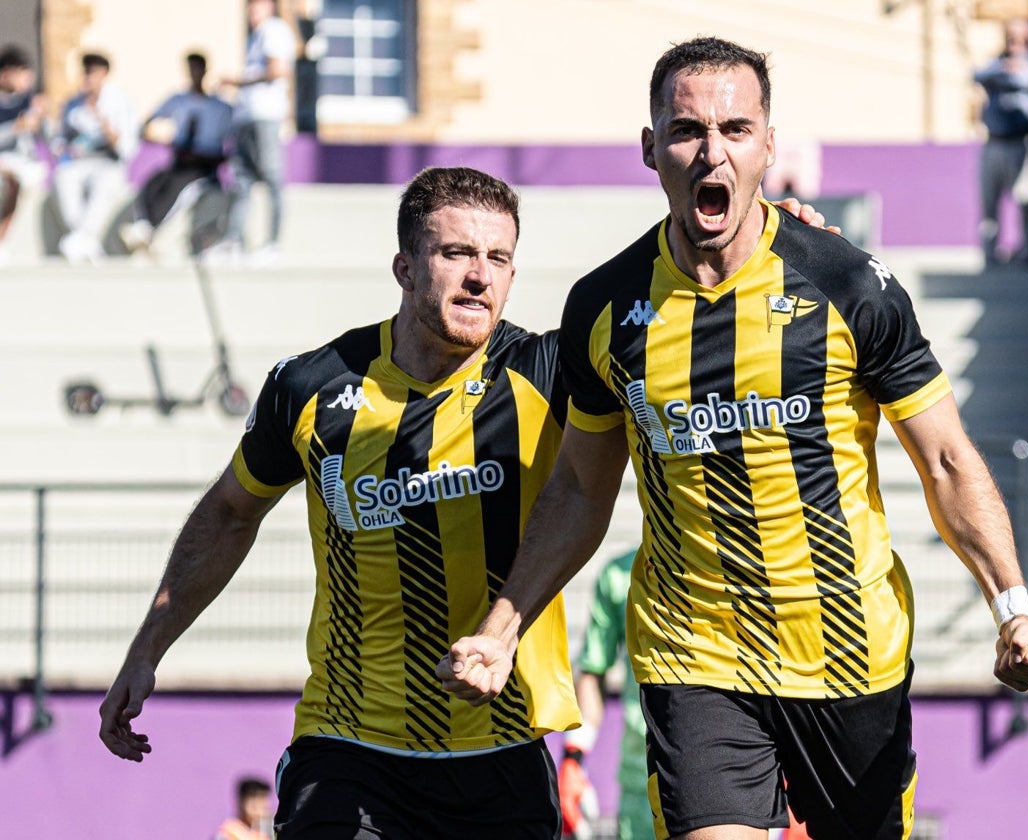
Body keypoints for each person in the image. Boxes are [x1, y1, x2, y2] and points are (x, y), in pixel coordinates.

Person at [440, 36, 1028, 840]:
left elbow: (945, 459)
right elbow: (582, 490)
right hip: (692, 651)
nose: (712, 151)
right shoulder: (605, 307)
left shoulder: (846, 284)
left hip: (846, 651)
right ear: (650, 148)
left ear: (769, 145)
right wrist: (502, 626)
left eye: (736, 129)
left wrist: (1011, 607)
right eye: (688, 129)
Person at [95, 162, 829, 838]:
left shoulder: (549, 369)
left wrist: (766, 244)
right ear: (405, 267)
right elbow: (228, 513)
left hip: (502, 754)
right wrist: (146, 649)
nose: (480, 276)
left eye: (499, 259)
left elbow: (682, 331)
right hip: (350, 746)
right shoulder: (313, 386)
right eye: (456, 255)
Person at [558, 549, 652, 840]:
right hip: (642, 776)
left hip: (728, 776)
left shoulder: (731, 565)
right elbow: (593, 670)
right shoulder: (618, 574)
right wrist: (574, 757)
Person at [203, 0, 296, 267]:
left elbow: (278, 70)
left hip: (264, 117)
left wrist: (237, 80)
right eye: (249, 6)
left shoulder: (274, 30)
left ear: (270, 6)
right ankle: (233, 241)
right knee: (241, 180)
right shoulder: (257, 36)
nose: (251, 11)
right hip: (247, 118)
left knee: (272, 177)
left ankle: (273, 244)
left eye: (257, 5)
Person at [119, 52, 233, 255]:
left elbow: (229, 145)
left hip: (203, 166)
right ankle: (143, 226)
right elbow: (148, 123)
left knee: (179, 188)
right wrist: (164, 140)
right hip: (180, 161)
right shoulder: (179, 100)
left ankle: (150, 229)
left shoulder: (220, 108)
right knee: (154, 183)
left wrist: (203, 156)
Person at [51, 51, 138, 264]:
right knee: (63, 179)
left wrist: (99, 116)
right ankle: (85, 239)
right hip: (79, 162)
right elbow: (58, 139)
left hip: (108, 162)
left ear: (104, 74)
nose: (88, 78)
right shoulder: (73, 104)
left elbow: (127, 147)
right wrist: (64, 149)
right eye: (86, 72)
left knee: (106, 184)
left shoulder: (120, 101)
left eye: (93, 73)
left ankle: (81, 239)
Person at [973, 18, 1028, 264]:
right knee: (989, 203)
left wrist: (1015, 69)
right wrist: (1004, 69)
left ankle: (1027, 250)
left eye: (1019, 38)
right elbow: (977, 75)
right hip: (994, 141)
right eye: (1010, 37)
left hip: (1021, 143)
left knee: (1024, 200)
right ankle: (990, 253)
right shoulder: (998, 63)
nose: (1014, 43)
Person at [0, 44, 47, 264]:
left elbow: (43, 141)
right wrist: (16, 127)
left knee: (14, 183)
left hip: (21, 165)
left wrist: (40, 119)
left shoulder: (30, 101)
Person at [214, 776, 273, 840]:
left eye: (263, 798)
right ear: (242, 801)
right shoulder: (228, 832)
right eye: (254, 798)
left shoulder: (262, 834)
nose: (260, 805)